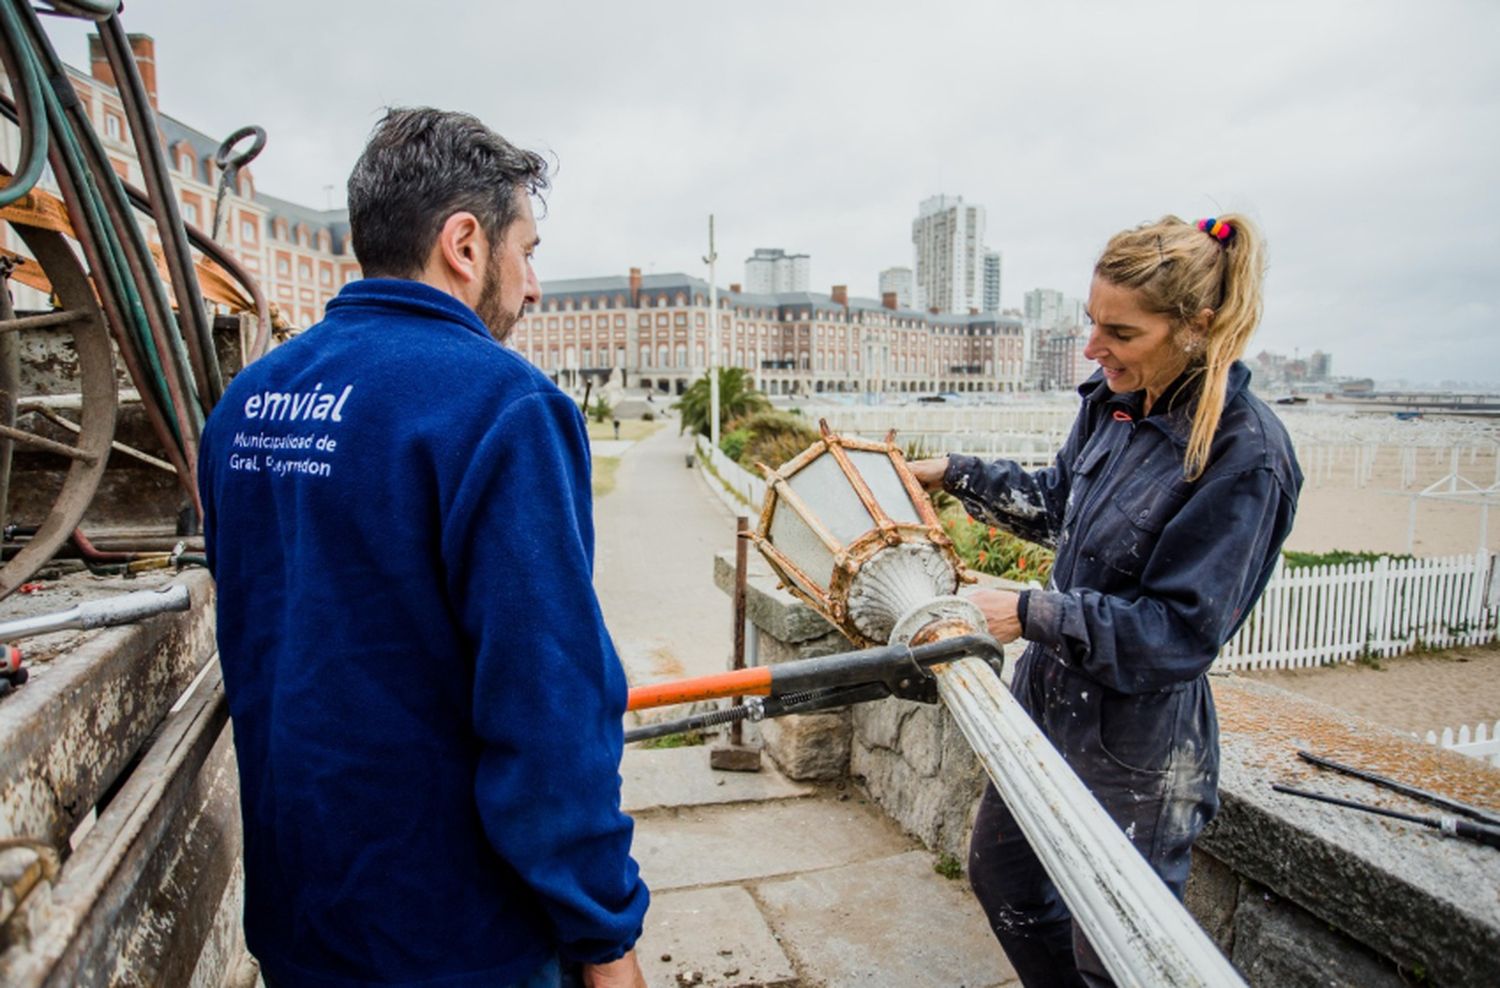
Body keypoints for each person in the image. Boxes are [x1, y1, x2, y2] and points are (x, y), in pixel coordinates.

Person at [199, 108, 649, 988]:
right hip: (460, 939)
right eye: (529, 250)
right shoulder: (501, 405)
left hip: (302, 921)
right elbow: (548, 704)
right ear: (465, 244)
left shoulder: (246, 405)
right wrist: (606, 937)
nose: (533, 286)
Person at [910, 214, 1301, 987]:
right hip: (1049, 711)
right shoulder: (1113, 401)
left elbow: (1180, 635)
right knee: (1003, 879)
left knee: (1116, 955)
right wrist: (952, 472)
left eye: (1118, 331)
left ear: (1198, 324)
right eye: (1091, 322)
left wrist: (1028, 613)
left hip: (1139, 752)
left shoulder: (1246, 454)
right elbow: (1059, 504)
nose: (1092, 348)